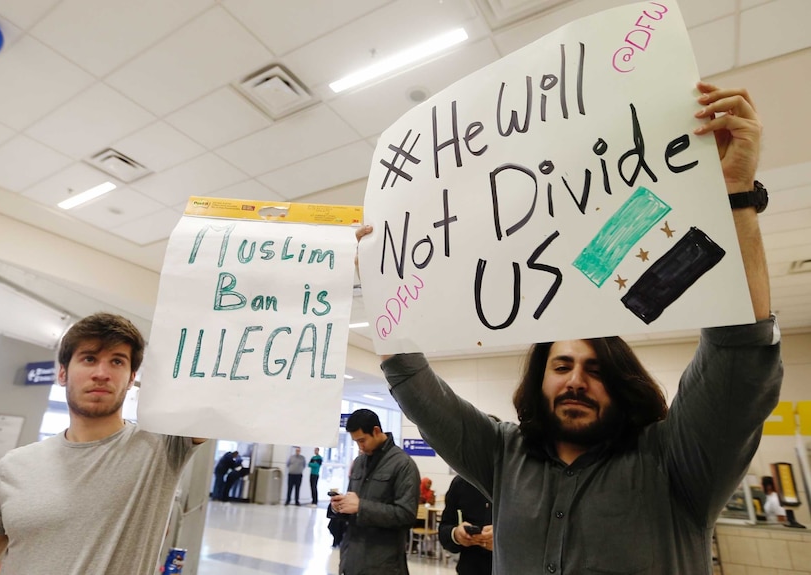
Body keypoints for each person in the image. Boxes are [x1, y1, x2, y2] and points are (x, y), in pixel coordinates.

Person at [358, 83, 783, 573]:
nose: (576, 380)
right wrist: (381, 278)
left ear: (624, 384)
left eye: (596, 369)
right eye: (561, 365)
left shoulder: (677, 461)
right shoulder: (503, 455)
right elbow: (418, 388)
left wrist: (735, 193)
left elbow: (739, 354)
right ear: (540, 379)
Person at [0, 313, 206, 575]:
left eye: (117, 361)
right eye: (89, 359)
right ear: (62, 373)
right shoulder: (9, 470)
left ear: (131, 379)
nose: (102, 373)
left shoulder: (162, 445)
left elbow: (222, 395)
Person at [330, 408, 420, 575]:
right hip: (351, 560)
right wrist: (340, 506)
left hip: (383, 564)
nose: (360, 447)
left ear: (376, 431)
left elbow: (406, 515)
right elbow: (353, 504)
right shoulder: (358, 462)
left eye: (362, 440)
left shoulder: (403, 465)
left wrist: (361, 507)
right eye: (356, 442)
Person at [438, 475, 493, 575]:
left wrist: (505, 540)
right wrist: (456, 534)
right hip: (470, 568)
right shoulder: (461, 482)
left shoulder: (520, 481)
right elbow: (444, 530)